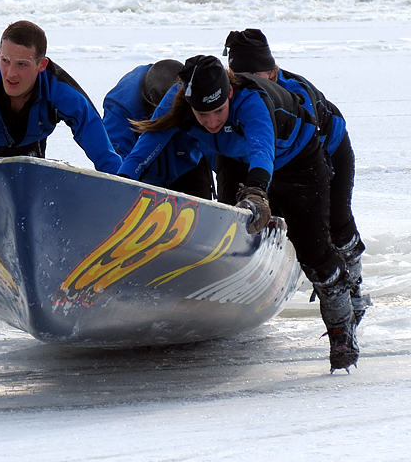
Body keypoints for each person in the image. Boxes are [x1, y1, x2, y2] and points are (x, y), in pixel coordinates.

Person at [119, 55, 359, 373]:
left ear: (229, 94)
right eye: (202, 115)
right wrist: (119, 190)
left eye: (218, 111)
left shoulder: (252, 101)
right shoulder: (177, 102)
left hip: (297, 157)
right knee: (232, 220)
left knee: (313, 250)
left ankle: (343, 329)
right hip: (235, 153)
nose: (212, 121)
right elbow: (143, 150)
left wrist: (257, 193)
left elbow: (262, 150)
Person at [0, 20, 122, 347]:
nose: (10, 73)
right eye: (5, 61)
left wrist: (126, 194)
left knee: (31, 222)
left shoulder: (62, 91)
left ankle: (46, 296)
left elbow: (104, 155)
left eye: (22, 64)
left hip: (25, 151)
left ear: (41, 65)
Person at [223, 28, 369, 324]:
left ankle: (353, 286)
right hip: (275, 155)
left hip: (327, 147)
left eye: (256, 74)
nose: (247, 81)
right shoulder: (232, 98)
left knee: (335, 222)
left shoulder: (295, 94)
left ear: (273, 73)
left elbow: (314, 166)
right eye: (240, 75)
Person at [102, 59, 213, 199]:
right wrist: (120, 188)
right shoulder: (121, 107)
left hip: (187, 163)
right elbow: (114, 155)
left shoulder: (194, 94)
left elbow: (215, 143)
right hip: (141, 172)